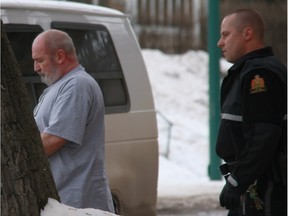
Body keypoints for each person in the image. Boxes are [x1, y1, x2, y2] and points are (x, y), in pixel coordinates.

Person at [32, 29, 115, 212]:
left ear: (60, 56)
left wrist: (17, 156)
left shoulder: (77, 85)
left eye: (39, 60)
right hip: (67, 202)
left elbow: (53, 140)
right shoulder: (60, 86)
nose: (35, 68)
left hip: (78, 202)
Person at [216, 8, 287, 216]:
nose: (220, 42)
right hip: (252, 185)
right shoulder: (248, 71)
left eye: (226, 34)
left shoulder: (260, 75)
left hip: (264, 188)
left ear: (247, 33)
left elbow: (262, 137)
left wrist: (237, 181)